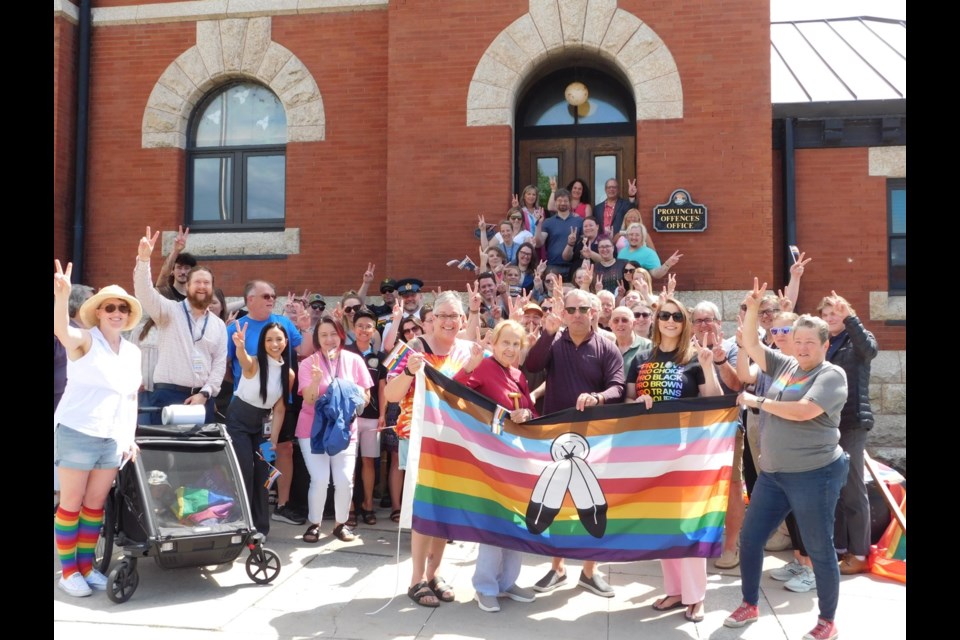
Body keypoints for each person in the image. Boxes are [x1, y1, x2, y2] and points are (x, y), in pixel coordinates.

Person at [724, 279, 849, 640]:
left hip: (815, 474)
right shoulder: (786, 366)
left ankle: (827, 620)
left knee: (819, 547)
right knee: (750, 539)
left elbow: (803, 411)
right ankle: (749, 603)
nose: (804, 347)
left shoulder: (831, 374)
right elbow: (749, 344)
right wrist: (750, 309)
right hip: (774, 475)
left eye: (811, 341)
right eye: (799, 341)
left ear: (825, 345)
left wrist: (757, 402)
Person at [625, 296, 721, 623]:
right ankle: (676, 589)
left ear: (685, 324)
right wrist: (639, 400)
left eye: (677, 317)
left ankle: (696, 596)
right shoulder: (639, 358)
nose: (669, 321)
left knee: (690, 522)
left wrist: (708, 366)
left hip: (689, 450)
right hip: (651, 451)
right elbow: (626, 402)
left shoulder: (694, 359)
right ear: (656, 320)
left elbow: (713, 401)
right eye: (664, 315)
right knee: (663, 521)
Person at [524, 288, 625, 598]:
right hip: (556, 437)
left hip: (594, 438)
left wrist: (598, 397)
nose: (578, 314)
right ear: (564, 313)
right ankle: (557, 567)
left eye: (584, 308)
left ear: (594, 312)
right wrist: (547, 333)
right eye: (572, 309)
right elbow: (532, 366)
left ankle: (590, 571)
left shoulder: (607, 347)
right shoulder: (554, 342)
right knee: (558, 503)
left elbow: (618, 386)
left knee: (591, 503)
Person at [54, 262, 142, 597]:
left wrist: (128, 437)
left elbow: (130, 396)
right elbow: (62, 330)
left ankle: (87, 567)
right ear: (99, 312)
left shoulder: (132, 352)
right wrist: (62, 296)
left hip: (111, 438)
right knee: (71, 505)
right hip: (77, 431)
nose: (116, 312)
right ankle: (68, 571)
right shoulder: (85, 341)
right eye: (110, 307)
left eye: (122, 308)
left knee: (95, 506)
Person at [384, 291, 475, 608]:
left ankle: (435, 574)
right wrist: (408, 372)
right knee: (424, 511)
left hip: (453, 443)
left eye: (455, 316)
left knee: (444, 511)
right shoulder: (411, 348)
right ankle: (416, 580)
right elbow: (391, 394)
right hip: (421, 440)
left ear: (463, 321)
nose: (449, 322)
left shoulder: (467, 351)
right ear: (432, 318)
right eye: (443, 316)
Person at [453, 320, 538, 612]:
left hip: (516, 460)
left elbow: (531, 410)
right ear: (494, 342)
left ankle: (507, 582)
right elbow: (454, 394)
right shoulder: (484, 367)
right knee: (493, 524)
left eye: (516, 344)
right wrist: (468, 367)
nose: (511, 349)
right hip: (489, 459)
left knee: (515, 523)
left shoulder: (518, 374)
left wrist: (527, 412)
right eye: (506, 342)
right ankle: (485, 586)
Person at [133, 227, 227, 424]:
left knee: (200, 454)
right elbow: (144, 292)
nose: (202, 287)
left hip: (202, 400)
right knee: (164, 454)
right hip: (168, 394)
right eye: (197, 282)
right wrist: (143, 260)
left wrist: (206, 393)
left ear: (212, 287)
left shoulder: (218, 325)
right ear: (188, 286)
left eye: (206, 283)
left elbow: (219, 366)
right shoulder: (170, 311)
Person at [297, 316, 373, 543]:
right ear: (317, 340)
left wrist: (352, 395)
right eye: (323, 335)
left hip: (344, 429)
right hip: (313, 429)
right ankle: (314, 523)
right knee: (320, 479)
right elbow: (309, 398)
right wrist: (315, 381)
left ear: (341, 335)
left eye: (333, 334)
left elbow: (366, 398)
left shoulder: (354, 360)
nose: (329, 339)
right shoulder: (307, 363)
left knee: (343, 479)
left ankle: (341, 524)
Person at [818, 292, 877, 576]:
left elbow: (870, 350)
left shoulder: (857, 339)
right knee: (834, 489)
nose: (830, 318)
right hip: (826, 424)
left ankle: (861, 553)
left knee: (853, 489)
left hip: (852, 422)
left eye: (836, 313)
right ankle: (841, 549)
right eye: (826, 314)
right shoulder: (822, 345)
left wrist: (850, 317)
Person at [226, 321, 295, 541]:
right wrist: (239, 346)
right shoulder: (254, 363)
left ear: (286, 341)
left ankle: (260, 528)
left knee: (264, 474)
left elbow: (280, 408)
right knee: (245, 470)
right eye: (269, 339)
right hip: (239, 420)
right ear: (263, 342)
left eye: (279, 339)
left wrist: (273, 439)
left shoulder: (289, 373)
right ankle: (239, 524)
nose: (274, 344)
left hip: (263, 425)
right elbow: (243, 360)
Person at [690, 301, 745, 570]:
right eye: (697, 320)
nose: (703, 325)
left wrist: (720, 360)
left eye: (708, 319)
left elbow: (737, 385)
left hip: (727, 427)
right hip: (693, 429)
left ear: (719, 323)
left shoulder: (733, 348)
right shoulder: (685, 350)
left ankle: (731, 545)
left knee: (732, 485)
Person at [345, 309, 387, 527]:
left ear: (374, 330)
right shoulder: (345, 353)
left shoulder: (379, 358)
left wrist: (382, 414)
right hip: (349, 417)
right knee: (350, 462)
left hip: (372, 417)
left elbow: (382, 388)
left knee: (369, 461)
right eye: (360, 325)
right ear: (354, 329)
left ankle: (368, 505)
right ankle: (350, 506)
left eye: (368, 326)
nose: (364, 330)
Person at [536, 188, 582, 278]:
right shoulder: (548, 222)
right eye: (559, 200)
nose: (563, 203)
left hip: (573, 267)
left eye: (565, 200)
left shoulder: (579, 221)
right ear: (555, 202)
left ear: (570, 202)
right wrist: (539, 224)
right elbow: (539, 243)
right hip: (553, 266)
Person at [617, 223, 681, 279]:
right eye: (631, 234)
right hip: (622, 291)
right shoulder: (622, 252)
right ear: (627, 236)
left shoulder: (649, 253)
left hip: (640, 291)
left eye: (637, 235)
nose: (634, 237)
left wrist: (667, 264)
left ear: (642, 237)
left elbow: (656, 274)